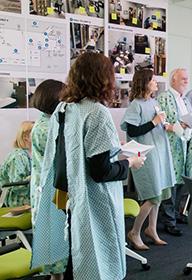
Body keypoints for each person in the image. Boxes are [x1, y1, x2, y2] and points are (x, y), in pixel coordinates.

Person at [31, 53, 144, 279]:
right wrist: (130, 162)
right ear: (104, 78)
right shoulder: (96, 112)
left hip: (62, 193)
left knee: (71, 253)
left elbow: (70, 152)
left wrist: (114, 149)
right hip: (89, 200)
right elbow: (101, 171)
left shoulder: (63, 109)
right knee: (93, 257)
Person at [121, 69, 176, 250]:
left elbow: (156, 123)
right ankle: (135, 232)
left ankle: (151, 229)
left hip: (160, 152)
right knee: (153, 195)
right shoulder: (135, 105)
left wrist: (164, 125)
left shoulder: (154, 102)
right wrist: (154, 121)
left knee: (160, 193)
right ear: (144, 82)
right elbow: (133, 131)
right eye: (152, 80)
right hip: (146, 155)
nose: (155, 83)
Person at [30, 79, 67, 280]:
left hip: (48, 185)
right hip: (49, 188)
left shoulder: (47, 121)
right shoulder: (47, 128)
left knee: (56, 235)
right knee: (54, 237)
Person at [157, 68, 192, 236]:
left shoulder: (186, 100)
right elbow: (160, 122)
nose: (186, 82)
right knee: (171, 183)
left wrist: (190, 123)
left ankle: (176, 213)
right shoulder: (163, 98)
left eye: (187, 79)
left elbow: (190, 117)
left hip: (187, 144)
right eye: (183, 79)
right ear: (173, 80)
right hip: (172, 146)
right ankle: (169, 220)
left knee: (183, 180)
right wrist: (175, 126)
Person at [0, 121, 34, 207]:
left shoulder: (25, 155)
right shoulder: (18, 157)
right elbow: (18, 186)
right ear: (26, 137)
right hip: (18, 203)